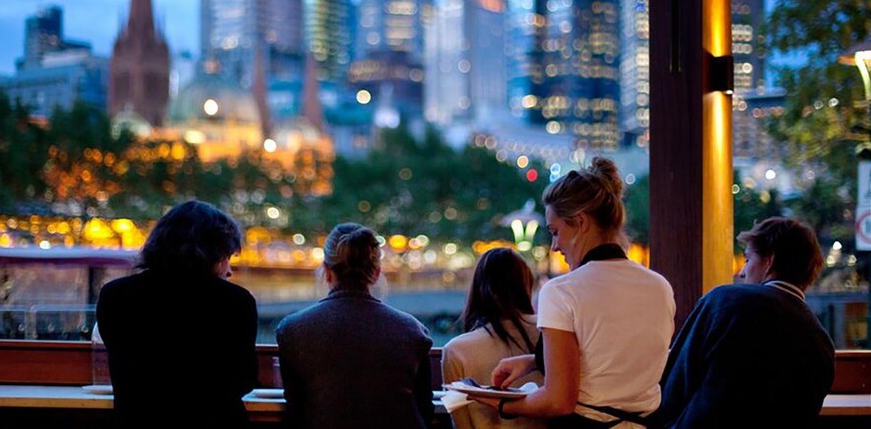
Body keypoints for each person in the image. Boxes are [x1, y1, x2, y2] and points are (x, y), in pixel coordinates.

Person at [474, 157, 675, 428]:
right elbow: (612, 357)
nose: (554, 246)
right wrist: (534, 361)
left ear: (580, 222)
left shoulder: (561, 292)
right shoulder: (660, 287)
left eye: (555, 232)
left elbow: (558, 401)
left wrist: (500, 403)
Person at [657, 217, 835, 428]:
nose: (742, 272)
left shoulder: (726, 301)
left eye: (748, 259)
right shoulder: (822, 343)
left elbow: (675, 383)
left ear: (769, 261)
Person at [96, 200, 258, 429]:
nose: (229, 270)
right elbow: (244, 379)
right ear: (211, 254)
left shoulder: (115, 295)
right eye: (226, 257)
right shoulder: (236, 302)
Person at [275, 223, 434, 429]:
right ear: (376, 273)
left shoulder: (292, 330)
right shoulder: (413, 331)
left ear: (327, 271)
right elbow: (424, 408)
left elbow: (296, 410)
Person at [443, 247, 546, 429]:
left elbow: (461, 422)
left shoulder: (456, 350)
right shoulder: (549, 333)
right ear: (527, 285)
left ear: (477, 289)